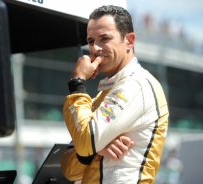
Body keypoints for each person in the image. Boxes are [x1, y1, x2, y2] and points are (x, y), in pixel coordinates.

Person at [61, 5, 169, 184]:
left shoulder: (136, 84)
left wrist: (77, 82)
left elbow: (85, 141)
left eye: (104, 38)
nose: (95, 48)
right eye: (90, 41)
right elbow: (69, 170)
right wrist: (96, 148)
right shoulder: (105, 93)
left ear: (129, 41)